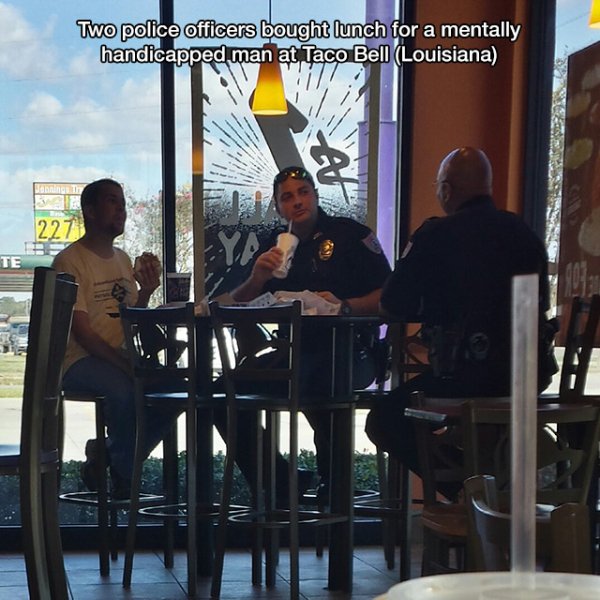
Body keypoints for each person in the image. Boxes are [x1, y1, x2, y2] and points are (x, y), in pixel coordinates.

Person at [365, 147, 557, 483]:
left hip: (461, 380)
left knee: (384, 420)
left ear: (447, 190)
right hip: (527, 378)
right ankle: (492, 485)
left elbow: (392, 304)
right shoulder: (525, 235)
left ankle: (468, 491)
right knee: (485, 427)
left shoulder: (435, 235)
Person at [221, 165, 392, 499]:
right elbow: (237, 303)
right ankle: (279, 479)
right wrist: (257, 277)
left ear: (315, 195)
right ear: (277, 207)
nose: (297, 202)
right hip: (295, 353)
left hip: (353, 351)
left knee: (319, 380)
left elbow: (391, 294)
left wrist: (345, 306)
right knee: (221, 392)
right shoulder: (276, 244)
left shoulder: (350, 235)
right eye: (287, 197)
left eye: (303, 193)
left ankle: (336, 484)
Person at [53, 178, 174, 499]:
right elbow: (83, 334)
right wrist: (126, 365)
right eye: (112, 201)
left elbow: (133, 319)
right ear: (89, 211)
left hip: (119, 356)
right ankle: (124, 476)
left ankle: (108, 456)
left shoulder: (123, 258)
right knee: (124, 389)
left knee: (175, 389)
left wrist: (147, 290)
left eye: (122, 202)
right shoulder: (69, 261)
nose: (121, 209)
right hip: (78, 360)